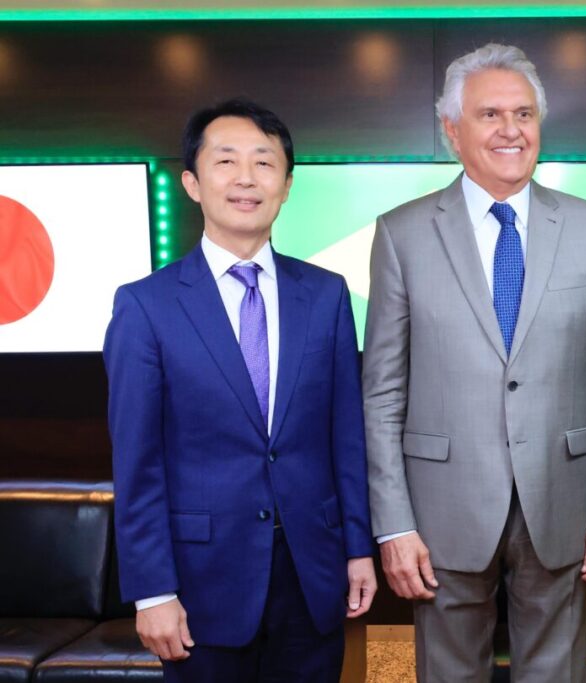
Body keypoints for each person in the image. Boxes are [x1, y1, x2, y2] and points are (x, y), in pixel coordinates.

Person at [362, 43, 586, 682]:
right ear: (452, 130)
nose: (510, 130)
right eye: (489, 114)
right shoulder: (402, 233)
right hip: (441, 511)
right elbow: (382, 394)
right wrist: (393, 524)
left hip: (564, 504)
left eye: (524, 114)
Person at [104, 97, 376, 683]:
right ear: (192, 183)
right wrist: (152, 591)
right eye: (226, 161)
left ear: (287, 185)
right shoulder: (146, 306)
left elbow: (346, 437)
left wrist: (358, 548)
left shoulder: (326, 294)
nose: (246, 178)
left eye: (264, 162)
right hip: (202, 581)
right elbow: (137, 463)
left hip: (313, 570)